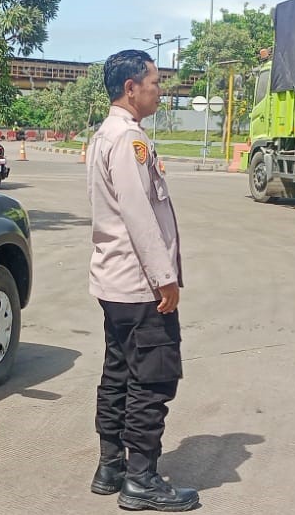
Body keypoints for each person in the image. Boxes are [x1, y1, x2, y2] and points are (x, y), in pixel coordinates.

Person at [86, 49, 198, 511]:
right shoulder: (129, 140)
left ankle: (110, 466)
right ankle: (141, 480)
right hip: (138, 285)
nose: (159, 90)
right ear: (131, 89)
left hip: (114, 283)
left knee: (118, 373)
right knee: (151, 379)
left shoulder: (104, 135)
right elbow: (138, 213)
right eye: (154, 82)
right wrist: (164, 277)